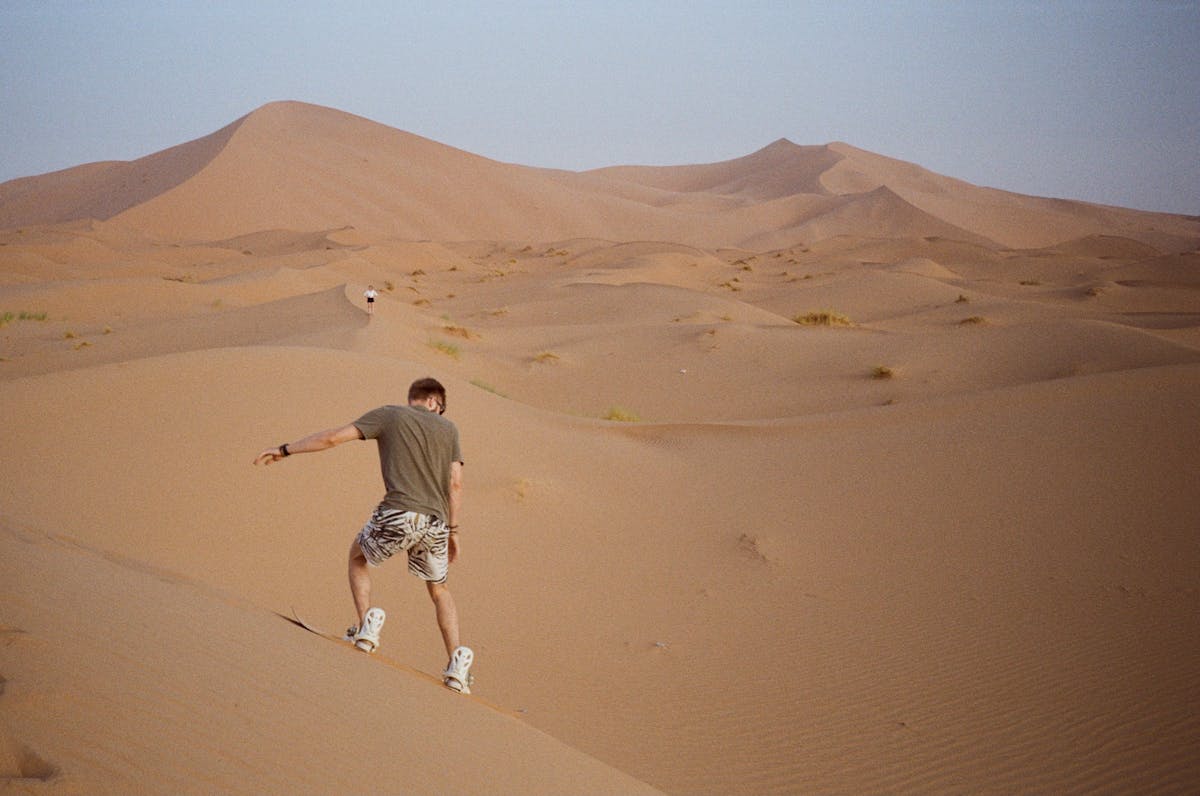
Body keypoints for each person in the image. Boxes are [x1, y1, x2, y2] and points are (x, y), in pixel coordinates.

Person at [253, 377, 473, 693]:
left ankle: (367, 626)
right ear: (435, 403)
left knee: (357, 557)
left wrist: (285, 449)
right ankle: (457, 663)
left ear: (417, 398)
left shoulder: (389, 415)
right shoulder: (449, 429)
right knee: (439, 590)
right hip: (436, 522)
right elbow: (456, 483)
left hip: (398, 511)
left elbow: (331, 438)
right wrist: (453, 530)